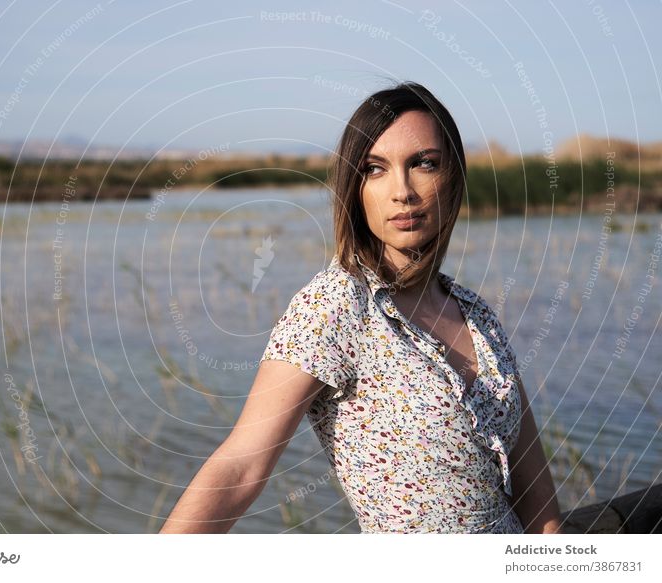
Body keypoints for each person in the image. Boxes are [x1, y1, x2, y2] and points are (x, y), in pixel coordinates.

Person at [159, 81, 562, 534]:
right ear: (355, 188)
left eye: (424, 164)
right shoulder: (335, 307)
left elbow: (534, 487)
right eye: (375, 169)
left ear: (453, 177)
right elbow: (241, 467)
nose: (403, 191)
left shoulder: (474, 312)